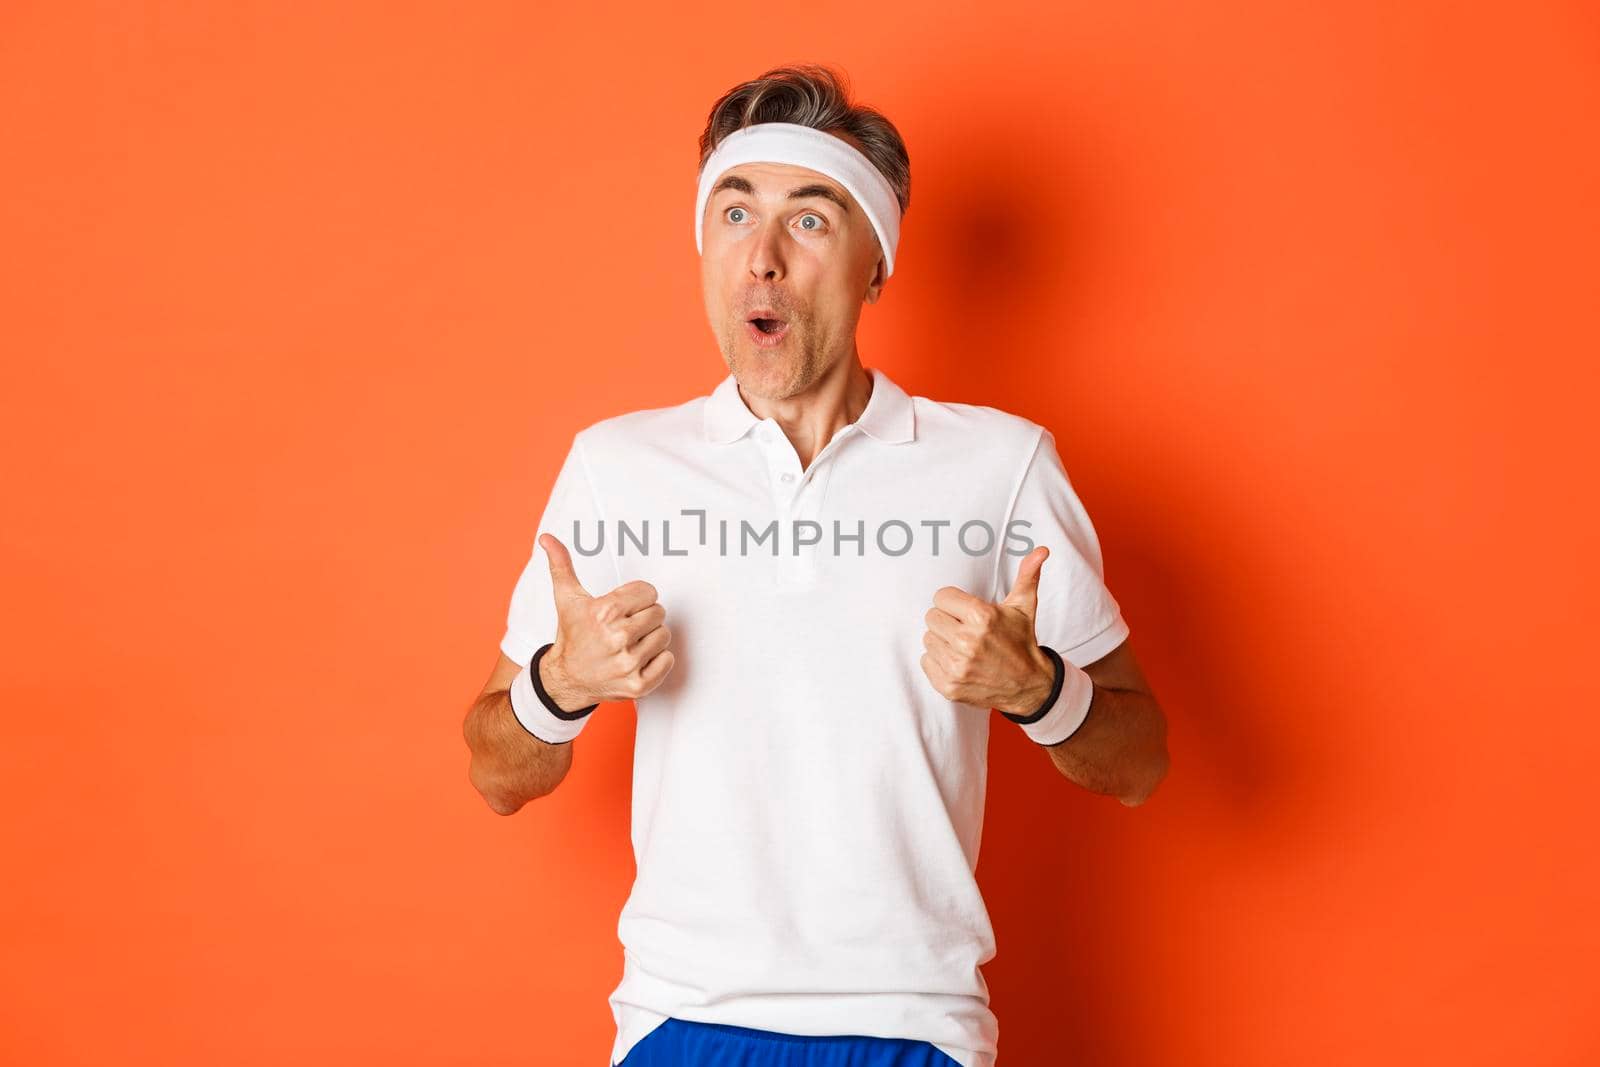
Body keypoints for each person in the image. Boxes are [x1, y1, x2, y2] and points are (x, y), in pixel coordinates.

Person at [461, 64, 1170, 1067]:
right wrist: (556, 686)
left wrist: (1039, 690)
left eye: (809, 221)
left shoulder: (1000, 465)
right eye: (734, 212)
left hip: (912, 1023)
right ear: (703, 247)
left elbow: (1139, 762)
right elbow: (495, 770)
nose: (761, 258)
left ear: (876, 263)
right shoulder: (615, 467)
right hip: (679, 1015)